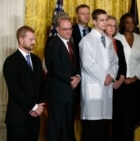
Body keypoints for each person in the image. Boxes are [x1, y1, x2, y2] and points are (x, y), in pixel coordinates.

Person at [79, 9, 118, 141]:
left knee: (103, 127)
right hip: (94, 86)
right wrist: (104, 77)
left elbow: (114, 61)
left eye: (106, 19)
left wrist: (111, 76)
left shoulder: (108, 41)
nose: (105, 22)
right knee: (91, 127)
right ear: (94, 22)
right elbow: (87, 63)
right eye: (102, 20)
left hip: (106, 87)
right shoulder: (87, 41)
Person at [3, 25, 45, 141]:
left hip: (35, 118)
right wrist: (34, 106)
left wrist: (40, 106)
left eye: (34, 39)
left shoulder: (36, 60)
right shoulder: (11, 62)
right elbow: (15, 90)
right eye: (31, 39)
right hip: (18, 119)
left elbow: (42, 84)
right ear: (21, 40)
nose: (34, 42)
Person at [45, 12, 81, 141]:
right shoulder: (53, 44)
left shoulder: (71, 43)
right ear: (57, 29)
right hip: (58, 93)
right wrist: (71, 80)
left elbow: (77, 64)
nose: (68, 32)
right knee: (55, 128)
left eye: (70, 28)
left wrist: (78, 76)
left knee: (67, 127)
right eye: (65, 29)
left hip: (70, 92)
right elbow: (55, 69)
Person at [114, 13, 140, 141]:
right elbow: (114, 62)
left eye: (132, 22)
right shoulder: (116, 38)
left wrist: (135, 77)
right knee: (119, 116)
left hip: (135, 83)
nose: (130, 24)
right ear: (123, 24)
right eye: (127, 22)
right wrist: (123, 78)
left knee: (131, 117)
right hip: (120, 83)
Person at [104, 15, 127, 141]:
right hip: (105, 84)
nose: (112, 28)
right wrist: (111, 80)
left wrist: (120, 80)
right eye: (109, 25)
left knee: (118, 118)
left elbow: (123, 64)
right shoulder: (99, 42)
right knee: (105, 119)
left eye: (114, 26)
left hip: (119, 85)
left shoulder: (118, 43)